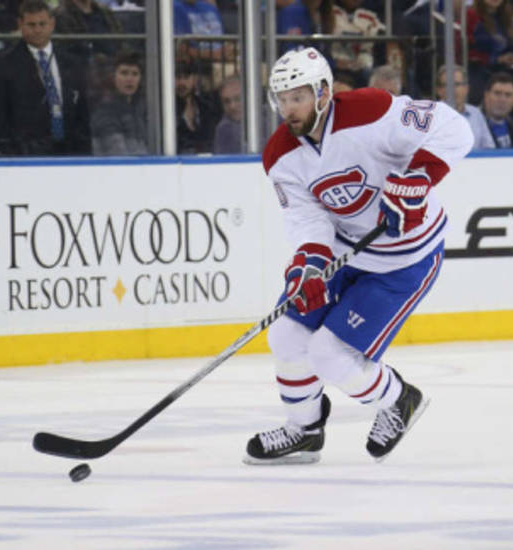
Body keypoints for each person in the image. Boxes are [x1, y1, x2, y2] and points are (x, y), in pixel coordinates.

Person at [247, 46, 473, 465]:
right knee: (286, 335)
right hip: (345, 252)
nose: (288, 109)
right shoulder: (280, 154)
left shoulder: (371, 110)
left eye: (297, 97)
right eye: (282, 99)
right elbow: (307, 219)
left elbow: (454, 128)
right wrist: (308, 265)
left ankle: (399, 400)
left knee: (329, 355)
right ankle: (304, 430)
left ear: (323, 92)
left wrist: (419, 178)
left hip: (403, 259)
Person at [0, 0, 90, 156]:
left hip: (70, 151)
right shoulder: (1, 64)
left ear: (52, 24)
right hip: (23, 155)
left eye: (42, 24)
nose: (38, 30)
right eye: (31, 25)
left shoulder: (72, 62)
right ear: (20, 24)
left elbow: (82, 112)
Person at [91, 49, 148, 155]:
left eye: (135, 74)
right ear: (113, 77)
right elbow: (118, 156)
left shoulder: (141, 109)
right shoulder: (105, 112)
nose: (129, 79)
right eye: (124, 73)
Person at [436, 65, 495, 150]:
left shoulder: (476, 114)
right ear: (439, 90)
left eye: (457, 84)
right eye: (447, 85)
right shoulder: (431, 117)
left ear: (466, 88)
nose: (453, 90)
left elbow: (489, 149)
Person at [175, 60, 221, 154]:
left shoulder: (205, 107)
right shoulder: (167, 109)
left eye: (186, 77)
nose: (181, 83)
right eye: (177, 77)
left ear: (194, 79)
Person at [481, 71, 513, 148]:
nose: (502, 100)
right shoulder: (474, 124)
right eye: (497, 93)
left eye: (508, 95)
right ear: (486, 95)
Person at [212, 76, 245, 154]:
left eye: (237, 99)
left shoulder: (270, 120)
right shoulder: (223, 129)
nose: (232, 106)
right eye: (226, 101)